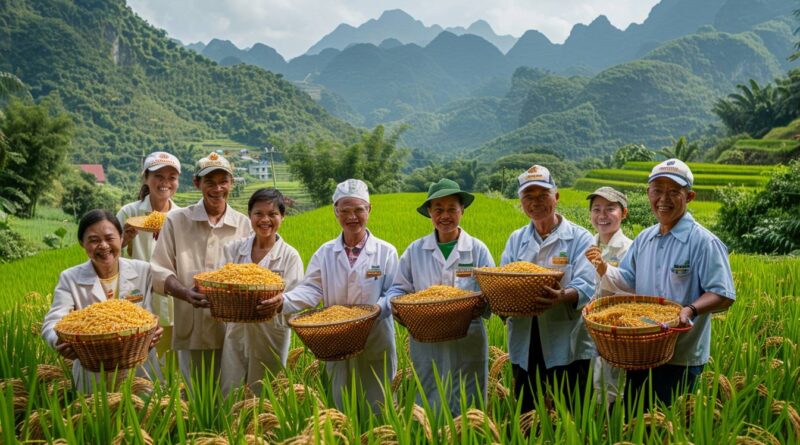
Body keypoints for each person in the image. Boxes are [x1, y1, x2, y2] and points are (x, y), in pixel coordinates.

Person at [592, 159, 735, 404]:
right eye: (657, 191)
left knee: (671, 428)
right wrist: (604, 268)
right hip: (642, 352)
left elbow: (722, 293)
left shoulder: (703, 242)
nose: (663, 199)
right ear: (648, 194)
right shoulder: (645, 238)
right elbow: (628, 280)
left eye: (673, 192)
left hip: (681, 357)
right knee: (637, 423)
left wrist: (690, 309)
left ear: (689, 196)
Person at [280, 179, 398, 412]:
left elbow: (394, 291)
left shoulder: (385, 252)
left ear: (369, 210)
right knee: (341, 407)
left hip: (375, 339)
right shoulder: (325, 253)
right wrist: (283, 301)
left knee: (379, 406)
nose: (351, 216)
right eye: (344, 210)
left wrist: (376, 310)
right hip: (334, 341)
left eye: (358, 210)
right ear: (335, 212)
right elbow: (312, 289)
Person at [386, 178, 494, 415]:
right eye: (438, 210)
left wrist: (480, 304)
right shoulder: (415, 250)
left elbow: (492, 291)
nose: (445, 216)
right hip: (426, 336)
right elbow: (397, 289)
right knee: (430, 394)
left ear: (462, 210)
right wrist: (396, 306)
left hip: (468, 336)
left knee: (470, 398)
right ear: (429, 213)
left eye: (451, 209)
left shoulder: (477, 249)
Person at [500, 165, 596, 412]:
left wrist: (562, 295)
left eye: (543, 195)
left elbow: (587, 284)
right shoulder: (516, 239)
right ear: (521, 202)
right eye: (528, 197)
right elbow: (503, 280)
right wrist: (501, 302)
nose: (536, 203)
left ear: (557, 196)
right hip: (525, 337)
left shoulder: (580, 237)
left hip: (567, 340)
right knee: (526, 412)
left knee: (572, 411)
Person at [150, 152, 251, 383]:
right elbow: (158, 270)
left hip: (232, 329)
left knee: (233, 396)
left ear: (231, 184)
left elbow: (255, 273)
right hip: (192, 327)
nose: (217, 189)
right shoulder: (177, 221)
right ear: (197, 183)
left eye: (223, 182)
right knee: (196, 397)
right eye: (210, 182)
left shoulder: (244, 225)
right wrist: (184, 293)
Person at [42, 210, 163, 392]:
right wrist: (58, 341)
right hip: (93, 368)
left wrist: (154, 330)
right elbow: (53, 321)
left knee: (144, 416)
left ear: (121, 238)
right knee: (97, 417)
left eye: (109, 238)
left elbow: (170, 288)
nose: (103, 246)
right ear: (82, 244)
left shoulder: (144, 270)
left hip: (140, 367)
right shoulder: (70, 278)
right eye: (93, 240)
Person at [220, 188, 304, 396]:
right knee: (231, 390)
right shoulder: (233, 250)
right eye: (258, 213)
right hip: (237, 331)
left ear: (282, 217)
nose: (265, 219)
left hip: (271, 332)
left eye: (272, 214)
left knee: (267, 393)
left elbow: (295, 298)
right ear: (250, 216)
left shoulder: (289, 256)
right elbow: (221, 284)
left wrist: (279, 302)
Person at [116, 151, 182, 352]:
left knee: (170, 358)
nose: (165, 183)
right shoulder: (129, 213)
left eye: (172, 177)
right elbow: (108, 255)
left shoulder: (181, 216)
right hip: (138, 294)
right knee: (141, 356)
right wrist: (124, 239)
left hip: (173, 297)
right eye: (158, 176)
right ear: (146, 178)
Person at [583, 187, 633, 405]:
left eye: (610, 209)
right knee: (587, 386)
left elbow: (633, 291)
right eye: (596, 209)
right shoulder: (585, 245)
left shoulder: (630, 249)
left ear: (624, 213)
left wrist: (605, 269)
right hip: (585, 328)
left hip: (616, 330)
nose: (602, 216)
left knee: (612, 387)